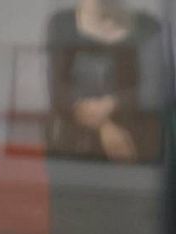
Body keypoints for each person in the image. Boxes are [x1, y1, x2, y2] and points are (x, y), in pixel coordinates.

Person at [47, 0, 166, 163]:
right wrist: (106, 126)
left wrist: (112, 104)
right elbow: (59, 92)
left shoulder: (148, 27)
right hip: (73, 149)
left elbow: (153, 91)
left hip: (135, 147)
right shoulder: (62, 24)